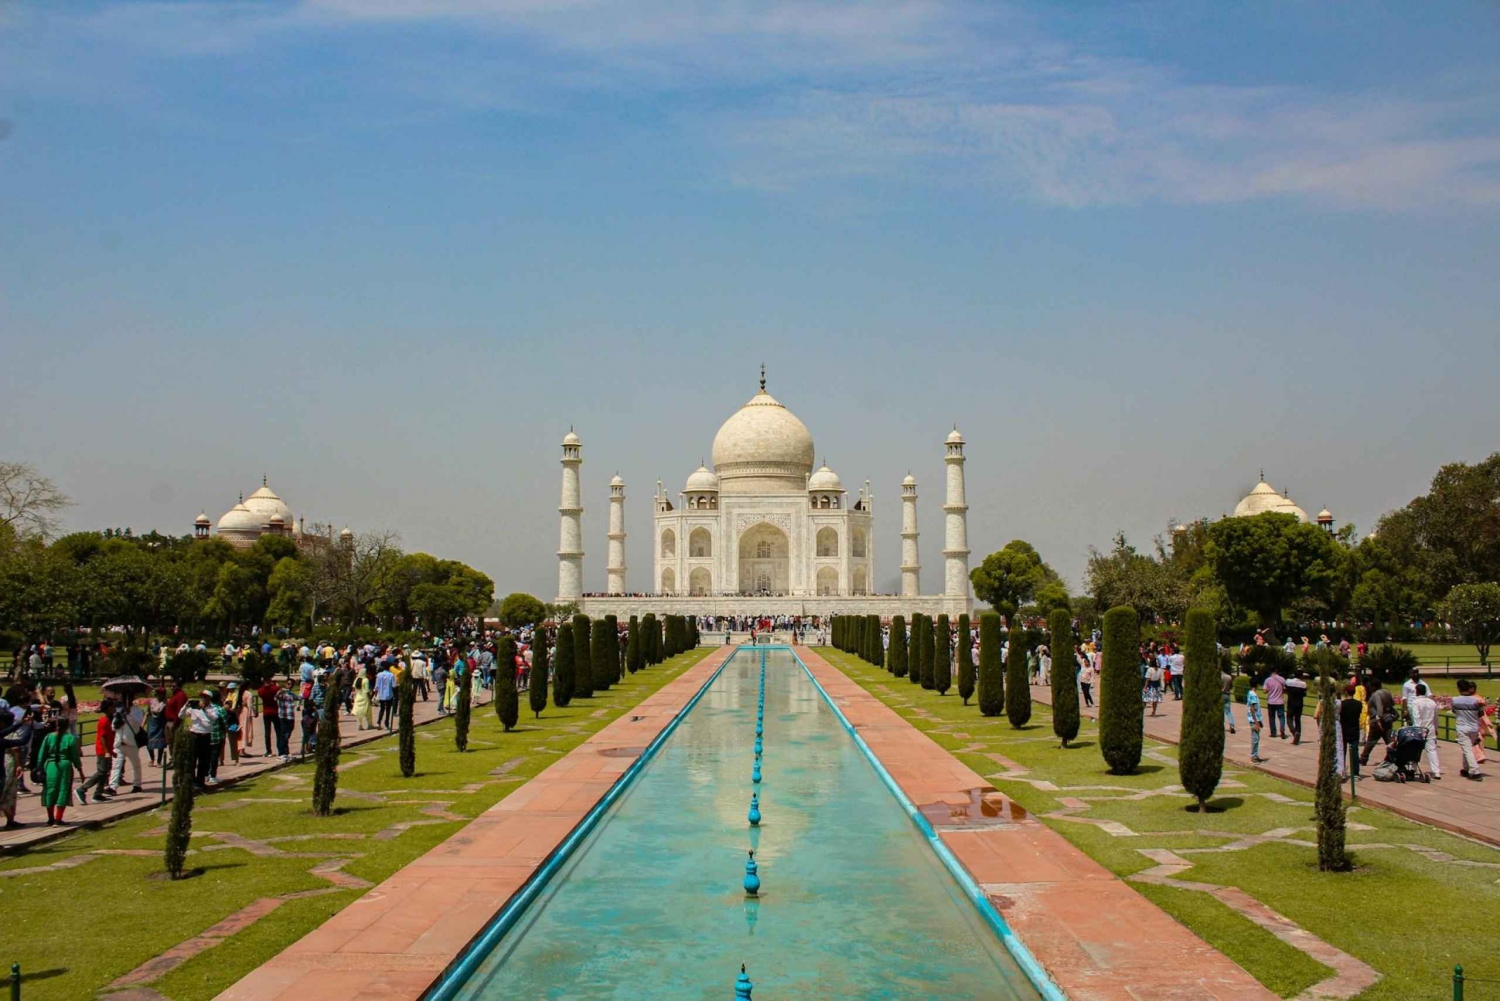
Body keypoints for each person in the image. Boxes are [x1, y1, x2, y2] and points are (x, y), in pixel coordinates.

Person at [38, 716, 84, 826]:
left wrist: (39, 767)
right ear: (67, 726)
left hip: (50, 766)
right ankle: (58, 819)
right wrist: (80, 770)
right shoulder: (70, 738)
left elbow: (41, 754)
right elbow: (75, 757)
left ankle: (50, 819)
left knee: (50, 790)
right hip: (65, 767)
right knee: (63, 790)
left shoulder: (48, 737)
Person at [78, 698, 116, 804]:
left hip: (107, 750)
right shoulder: (103, 721)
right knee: (101, 772)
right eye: (112, 707)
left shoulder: (109, 719)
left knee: (104, 772)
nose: (114, 709)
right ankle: (82, 789)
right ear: (108, 708)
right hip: (102, 750)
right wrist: (107, 751)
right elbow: (103, 737)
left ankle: (98, 794)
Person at [1451, 679, 1487, 780]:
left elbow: (1454, 711)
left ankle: (1475, 771)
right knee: (1467, 748)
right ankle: (1465, 768)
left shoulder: (1455, 700)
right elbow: (1480, 714)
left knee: (1467, 750)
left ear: (1459, 688)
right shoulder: (1476, 700)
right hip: (1474, 728)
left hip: (1462, 727)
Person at [107, 696, 145, 794]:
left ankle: (137, 785)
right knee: (116, 765)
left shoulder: (137, 711)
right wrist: (119, 720)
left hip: (131, 743)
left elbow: (139, 722)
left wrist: (129, 714)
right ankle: (112, 787)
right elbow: (113, 727)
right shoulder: (119, 711)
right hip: (119, 743)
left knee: (136, 765)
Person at [1408, 682, 1443, 780]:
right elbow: (1436, 718)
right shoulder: (1432, 702)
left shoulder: (1416, 702)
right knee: (1432, 750)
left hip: (1420, 729)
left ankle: (1412, 768)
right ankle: (1436, 772)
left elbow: (1416, 717)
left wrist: (1417, 730)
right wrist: (1436, 728)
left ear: (1417, 692)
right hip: (1430, 729)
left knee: (1416, 750)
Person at [1359, 678, 1396, 767]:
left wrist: (1379, 720)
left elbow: (1379, 707)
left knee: (1371, 741)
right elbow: (1392, 703)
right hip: (1388, 719)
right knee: (1389, 741)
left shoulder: (1376, 695)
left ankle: (1363, 758)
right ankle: (1393, 757)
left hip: (1377, 720)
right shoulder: (1387, 692)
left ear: (1373, 686)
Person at [1339, 683, 1364, 780]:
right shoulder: (1359, 704)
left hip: (1344, 729)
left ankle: (1342, 771)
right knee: (1354, 751)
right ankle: (1356, 773)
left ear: (1345, 692)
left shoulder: (1342, 704)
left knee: (1342, 751)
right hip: (1354, 729)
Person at [257, 676, 281, 757]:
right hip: (275, 711)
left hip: (266, 712)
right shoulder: (275, 688)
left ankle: (268, 751)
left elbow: (260, 695)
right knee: (278, 731)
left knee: (267, 732)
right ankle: (280, 749)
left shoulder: (260, 690)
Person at [275, 677, 297, 761]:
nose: (290, 686)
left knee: (287, 735)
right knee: (284, 735)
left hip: (291, 717)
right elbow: (276, 697)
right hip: (284, 717)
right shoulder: (282, 693)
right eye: (288, 684)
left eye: (291, 684)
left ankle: (286, 752)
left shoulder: (291, 694)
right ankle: (281, 753)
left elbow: (299, 697)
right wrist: (280, 692)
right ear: (285, 684)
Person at [1285, 670, 1308, 745]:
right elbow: (1304, 694)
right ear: (1301, 676)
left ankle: (1294, 732)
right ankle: (1298, 734)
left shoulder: (1288, 681)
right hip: (1299, 703)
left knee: (1289, 718)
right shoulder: (1303, 684)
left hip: (1291, 703)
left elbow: (1286, 689)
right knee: (1297, 719)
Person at [1264, 665, 1287, 740]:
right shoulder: (1282, 679)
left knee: (1272, 717)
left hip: (1271, 701)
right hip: (1280, 701)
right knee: (1281, 717)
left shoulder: (1268, 680)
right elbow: (1285, 688)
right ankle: (1282, 729)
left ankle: (1273, 732)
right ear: (1276, 670)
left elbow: (1265, 691)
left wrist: (1268, 690)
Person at [375, 662, 396, 731]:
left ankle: (379, 722)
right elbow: (394, 686)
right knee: (388, 710)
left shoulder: (379, 675)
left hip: (381, 694)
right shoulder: (391, 675)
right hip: (389, 694)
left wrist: (375, 694)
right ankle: (386, 723)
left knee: (382, 708)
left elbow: (377, 686)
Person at [1246, 684, 1264, 762]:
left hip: (1255, 719)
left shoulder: (1250, 693)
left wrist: (1260, 721)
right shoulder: (1253, 695)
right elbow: (1253, 708)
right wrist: (1256, 721)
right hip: (1253, 719)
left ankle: (1255, 755)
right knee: (1255, 738)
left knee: (1256, 738)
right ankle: (1253, 756)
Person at [352, 666, 373, 731]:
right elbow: (367, 691)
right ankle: (369, 725)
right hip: (365, 698)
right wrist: (370, 698)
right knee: (368, 712)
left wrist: (353, 697)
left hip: (358, 697)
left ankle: (359, 725)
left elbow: (354, 688)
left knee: (359, 712)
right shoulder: (365, 680)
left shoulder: (357, 679)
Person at [1221, 665, 1236, 734]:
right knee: (1228, 711)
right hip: (1227, 694)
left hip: (1221, 695)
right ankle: (1232, 725)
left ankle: (1221, 725)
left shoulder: (1218, 677)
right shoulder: (1229, 677)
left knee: (1221, 712)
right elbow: (1231, 686)